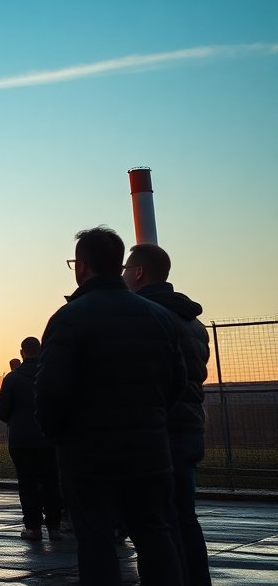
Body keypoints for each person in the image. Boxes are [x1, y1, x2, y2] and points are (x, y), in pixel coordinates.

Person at [37, 226, 185, 586]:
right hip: (149, 451)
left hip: (89, 456)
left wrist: (57, 434)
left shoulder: (68, 319)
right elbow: (176, 385)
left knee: (96, 541)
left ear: (82, 266)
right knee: (154, 534)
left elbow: (51, 391)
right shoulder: (159, 317)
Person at [125, 243, 212, 586]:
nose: (124, 276)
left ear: (139, 272)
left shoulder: (148, 315)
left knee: (156, 522)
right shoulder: (194, 321)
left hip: (161, 432)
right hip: (190, 428)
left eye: (126, 269)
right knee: (184, 517)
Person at [0, 337, 62, 541]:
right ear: (41, 351)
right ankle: (55, 527)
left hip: (21, 440)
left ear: (22, 352)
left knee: (27, 483)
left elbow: (2, 411)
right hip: (49, 438)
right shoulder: (52, 376)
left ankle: (33, 528)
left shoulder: (12, 379)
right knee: (51, 482)